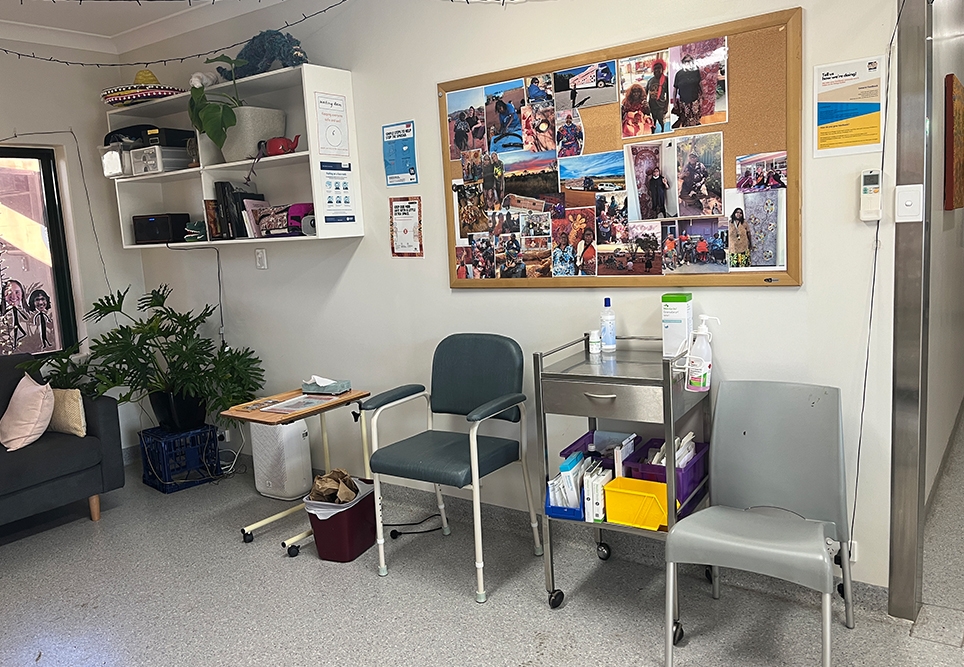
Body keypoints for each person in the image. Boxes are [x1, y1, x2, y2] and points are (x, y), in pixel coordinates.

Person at [673, 54, 703, 127]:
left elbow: (700, 83)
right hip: (683, 101)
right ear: (683, 63)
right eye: (685, 61)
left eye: (689, 61)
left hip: (695, 99)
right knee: (686, 119)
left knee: (695, 117)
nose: (687, 63)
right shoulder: (679, 74)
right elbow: (675, 88)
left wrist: (703, 94)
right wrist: (674, 101)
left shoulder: (696, 72)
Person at [2, 279, 28, 349]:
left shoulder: (28, 314)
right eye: (9, 292)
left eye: (17, 292)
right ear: (4, 296)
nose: (13, 296)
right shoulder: (4, 316)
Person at [646, 59, 670, 133]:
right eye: (655, 68)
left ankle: (662, 129)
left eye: (659, 68)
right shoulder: (650, 81)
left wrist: (666, 105)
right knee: (654, 118)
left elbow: (668, 94)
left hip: (661, 105)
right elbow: (645, 92)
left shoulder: (666, 80)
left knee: (660, 119)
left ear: (662, 69)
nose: (657, 70)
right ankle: (654, 129)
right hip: (652, 104)